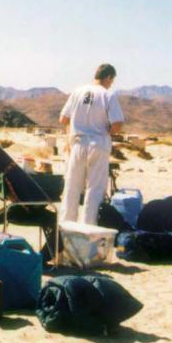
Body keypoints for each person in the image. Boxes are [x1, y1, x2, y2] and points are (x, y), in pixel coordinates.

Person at [58, 63, 124, 225]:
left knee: (72, 186)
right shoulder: (108, 94)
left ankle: (66, 226)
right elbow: (117, 124)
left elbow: (63, 119)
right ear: (108, 77)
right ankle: (89, 227)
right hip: (98, 143)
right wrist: (105, 129)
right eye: (111, 80)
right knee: (94, 189)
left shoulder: (77, 92)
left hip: (78, 143)